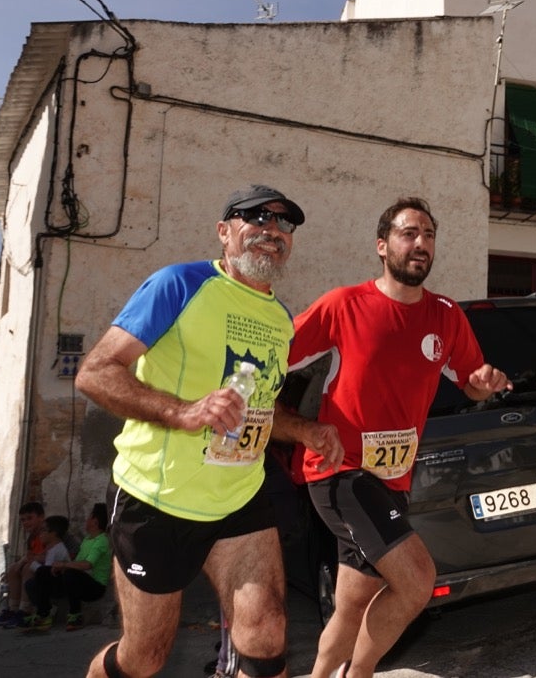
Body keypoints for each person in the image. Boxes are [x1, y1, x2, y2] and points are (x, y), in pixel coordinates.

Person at [75, 183, 343, 678]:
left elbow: (256, 410)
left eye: (284, 223)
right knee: (144, 657)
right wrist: (182, 411)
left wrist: (305, 429)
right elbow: (96, 372)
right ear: (224, 232)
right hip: (157, 499)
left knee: (266, 634)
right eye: (255, 218)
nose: (272, 230)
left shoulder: (281, 319)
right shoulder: (178, 284)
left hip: (239, 496)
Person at [286, 196, 511, 678]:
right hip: (340, 471)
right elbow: (275, 353)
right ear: (382, 245)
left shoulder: (447, 315)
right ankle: (358, 675)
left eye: (429, 235)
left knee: (351, 603)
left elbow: (469, 383)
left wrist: (484, 383)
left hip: (393, 479)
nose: (421, 243)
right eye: (410, 233)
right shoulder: (343, 305)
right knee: (416, 581)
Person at [51, 503, 112, 631]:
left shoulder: (102, 540)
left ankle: (76, 615)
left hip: (96, 587)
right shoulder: (87, 539)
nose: (87, 518)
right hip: (84, 580)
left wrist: (64, 565)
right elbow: (77, 562)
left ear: (95, 521)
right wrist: (61, 567)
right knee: (45, 573)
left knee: (70, 574)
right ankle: (44, 612)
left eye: (89, 515)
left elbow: (87, 564)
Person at [0, 500, 47, 626]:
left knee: (27, 568)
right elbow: (30, 555)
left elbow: (46, 556)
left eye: (29, 518)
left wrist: (25, 561)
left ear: (41, 517)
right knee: (12, 570)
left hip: (48, 569)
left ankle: (24, 611)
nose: (26, 522)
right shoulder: (32, 537)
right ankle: (12, 609)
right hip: (37, 566)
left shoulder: (47, 535)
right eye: (23, 520)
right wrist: (19, 563)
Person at [20, 514, 72, 631]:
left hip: (60, 584)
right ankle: (45, 610)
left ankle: (44, 614)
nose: (40, 534)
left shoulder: (58, 549)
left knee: (41, 575)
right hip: (52, 582)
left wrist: (32, 562)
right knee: (30, 584)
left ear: (53, 533)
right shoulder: (51, 548)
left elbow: (46, 573)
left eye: (44, 530)